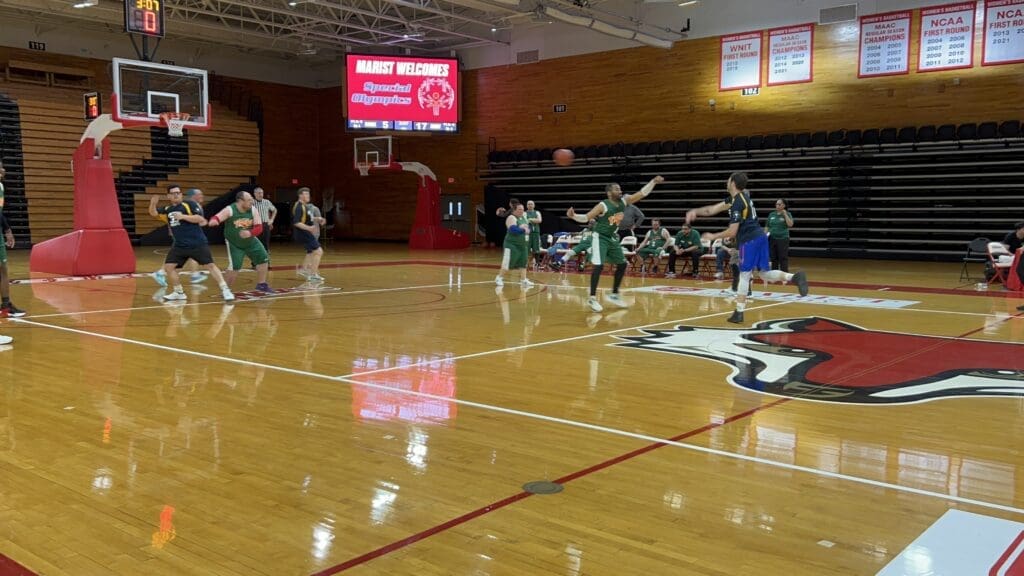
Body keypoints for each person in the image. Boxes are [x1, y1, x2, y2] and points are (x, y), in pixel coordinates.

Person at [686, 172, 807, 324]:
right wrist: (695, 212)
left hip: (750, 240)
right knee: (764, 274)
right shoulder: (738, 198)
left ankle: (739, 312)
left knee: (744, 275)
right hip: (760, 238)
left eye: (728, 180)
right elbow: (713, 209)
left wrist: (712, 236)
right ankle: (794, 277)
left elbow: (732, 232)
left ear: (733, 183)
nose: (726, 182)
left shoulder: (738, 202)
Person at [567, 175, 665, 312]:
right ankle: (592, 298)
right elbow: (586, 218)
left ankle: (614, 294)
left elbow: (641, 193)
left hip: (612, 237)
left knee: (622, 264)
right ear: (609, 193)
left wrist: (653, 182)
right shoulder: (603, 205)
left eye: (620, 189)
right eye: (617, 189)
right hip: (600, 237)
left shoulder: (624, 202)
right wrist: (573, 216)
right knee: (599, 266)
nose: (620, 191)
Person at [148, 184, 235, 302]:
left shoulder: (189, 204)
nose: (176, 195)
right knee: (169, 267)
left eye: (178, 192)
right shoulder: (168, 209)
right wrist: (153, 203)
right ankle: (179, 292)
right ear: (168, 196)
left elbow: (200, 219)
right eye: (173, 193)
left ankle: (225, 290)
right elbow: (153, 213)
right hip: (180, 245)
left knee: (210, 265)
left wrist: (183, 216)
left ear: (181, 194)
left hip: (197, 243)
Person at [205, 190, 272, 293]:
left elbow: (259, 227)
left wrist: (249, 233)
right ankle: (226, 290)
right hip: (234, 243)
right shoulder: (230, 209)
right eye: (249, 200)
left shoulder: (253, 209)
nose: (252, 202)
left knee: (263, 259)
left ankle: (261, 284)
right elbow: (217, 217)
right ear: (241, 201)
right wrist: (214, 221)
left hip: (250, 240)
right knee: (235, 266)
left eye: (251, 199)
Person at [495, 201, 534, 287]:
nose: (522, 211)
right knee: (507, 262)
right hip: (512, 245)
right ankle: (499, 278)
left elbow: (530, 227)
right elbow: (513, 229)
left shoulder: (524, 217)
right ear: (514, 210)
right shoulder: (511, 217)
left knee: (523, 263)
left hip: (522, 245)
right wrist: (523, 229)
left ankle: (523, 280)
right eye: (519, 209)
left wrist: (528, 229)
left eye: (523, 209)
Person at [293, 187, 326, 281]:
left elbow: (308, 218)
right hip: (303, 233)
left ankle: (304, 269)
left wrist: (318, 219)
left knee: (311, 252)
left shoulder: (305, 206)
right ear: (300, 195)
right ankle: (313, 274)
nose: (308, 196)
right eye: (306, 194)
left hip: (304, 232)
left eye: (308, 194)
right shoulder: (299, 207)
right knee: (318, 251)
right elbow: (296, 222)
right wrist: (309, 228)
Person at [766, 198, 794, 272]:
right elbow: (767, 226)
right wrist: (764, 236)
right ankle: (774, 274)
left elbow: (790, 224)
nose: (777, 206)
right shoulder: (771, 214)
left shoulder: (788, 214)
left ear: (784, 205)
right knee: (773, 257)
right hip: (772, 239)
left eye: (779, 204)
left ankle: (784, 274)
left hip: (783, 239)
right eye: (776, 204)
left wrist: (785, 214)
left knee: (783, 257)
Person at [252, 186, 277, 251]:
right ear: (255, 194)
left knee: (266, 243)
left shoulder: (267, 202)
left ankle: (266, 257)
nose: (261, 195)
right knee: (256, 243)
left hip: (265, 224)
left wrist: (271, 220)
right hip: (256, 225)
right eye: (259, 193)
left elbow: (274, 210)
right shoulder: (252, 203)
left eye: (262, 193)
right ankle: (256, 257)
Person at [525, 200, 543, 267]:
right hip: (527, 233)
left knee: (536, 248)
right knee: (526, 248)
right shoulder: (524, 213)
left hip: (535, 233)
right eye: (528, 204)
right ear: (527, 205)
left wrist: (530, 219)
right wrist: (534, 219)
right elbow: (524, 221)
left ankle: (537, 263)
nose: (530, 205)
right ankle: (525, 263)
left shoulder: (537, 212)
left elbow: (539, 220)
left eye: (531, 204)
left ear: (534, 205)